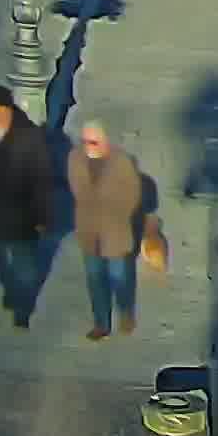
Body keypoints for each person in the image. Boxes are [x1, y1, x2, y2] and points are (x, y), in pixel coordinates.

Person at [0, 90, 59, 327]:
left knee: (25, 264)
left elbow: (42, 180)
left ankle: (23, 307)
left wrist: (43, 216)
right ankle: (12, 287)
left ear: (9, 110)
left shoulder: (29, 136)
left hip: (22, 217)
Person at [66, 117, 152, 341]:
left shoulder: (121, 162)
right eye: (85, 141)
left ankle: (125, 312)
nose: (88, 147)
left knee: (119, 277)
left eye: (93, 142)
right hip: (89, 233)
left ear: (104, 142)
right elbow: (76, 188)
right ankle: (101, 323)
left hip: (114, 233)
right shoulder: (75, 159)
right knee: (95, 280)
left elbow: (133, 194)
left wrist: (117, 211)